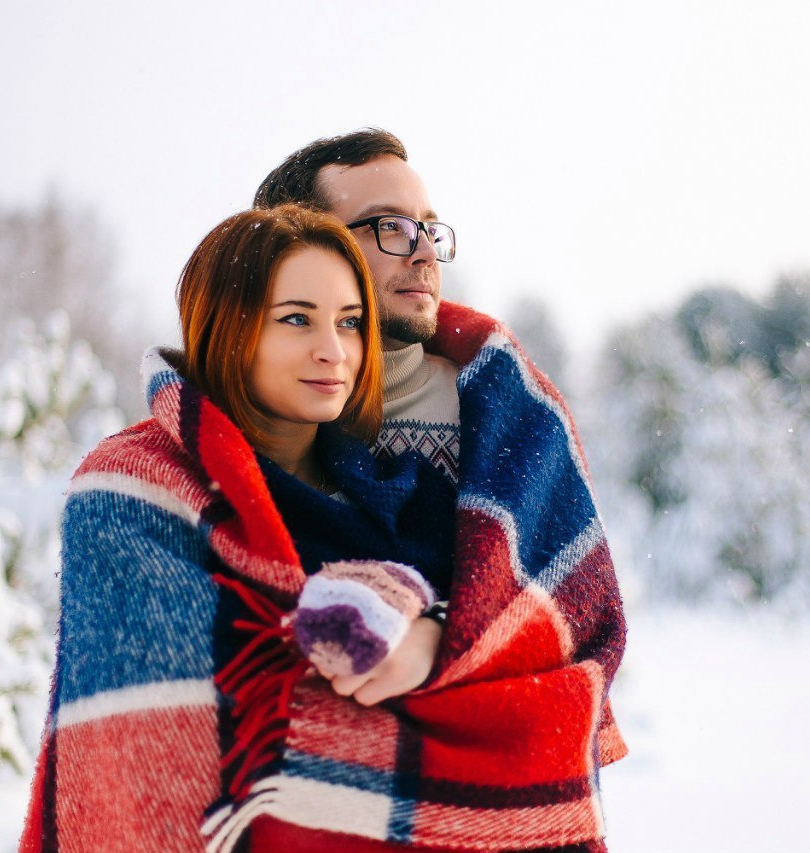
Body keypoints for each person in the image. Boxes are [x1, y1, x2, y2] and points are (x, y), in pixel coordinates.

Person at [19, 204, 459, 851]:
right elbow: (151, 729)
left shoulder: (409, 499)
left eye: (350, 322)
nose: (333, 351)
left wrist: (433, 631)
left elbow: (507, 658)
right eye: (295, 319)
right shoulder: (132, 487)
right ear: (230, 328)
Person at [251, 130, 629, 851]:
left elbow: (583, 625)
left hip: (500, 818)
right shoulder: (245, 429)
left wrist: (440, 641)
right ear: (302, 252)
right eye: (391, 227)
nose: (424, 251)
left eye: (428, 228)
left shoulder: (510, 411)